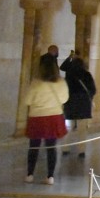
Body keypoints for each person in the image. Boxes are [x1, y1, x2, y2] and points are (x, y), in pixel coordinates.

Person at [24, 55, 69, 184]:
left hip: (37, 117)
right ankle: (50, 176)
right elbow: (65, 99)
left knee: (33, 146)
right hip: (54, 117)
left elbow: (27, 100)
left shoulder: (35, 83)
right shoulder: (61, 82)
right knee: (51, 147)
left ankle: (30, 174)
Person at [60, 53, 96, 156]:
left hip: (70, 103)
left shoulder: (69, 75)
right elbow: (93, 90)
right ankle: (81, 151)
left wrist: (70, 57)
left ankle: (65, 149)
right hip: (83, 104)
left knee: (68, 128)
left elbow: (63, 67)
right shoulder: (87, 74)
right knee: (82, 129)